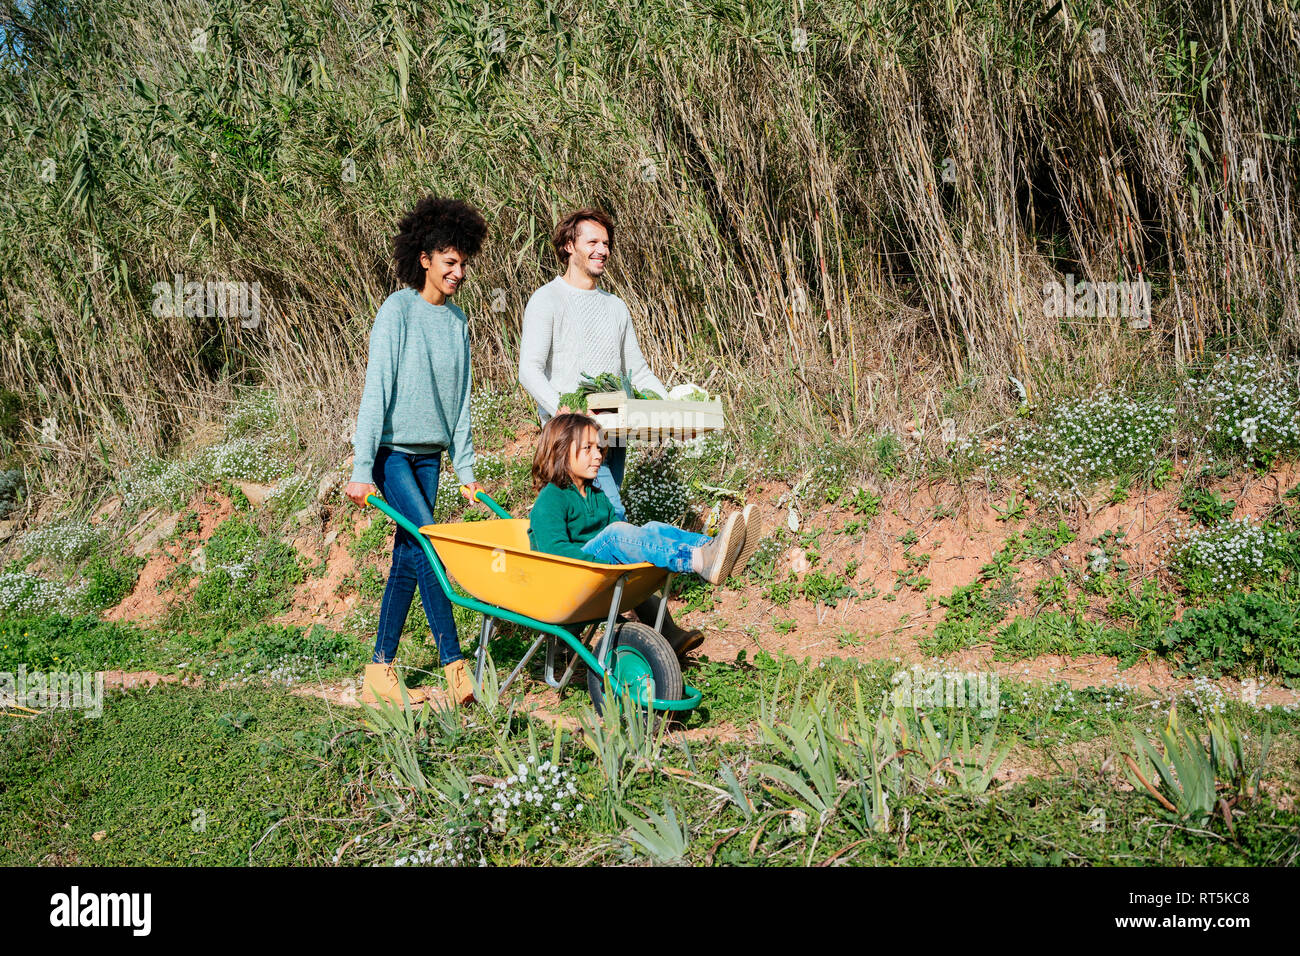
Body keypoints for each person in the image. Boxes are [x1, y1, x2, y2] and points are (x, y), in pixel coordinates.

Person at [517, 209, 708, 655]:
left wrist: (668, 405)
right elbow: (529, 369)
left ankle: (571, 623)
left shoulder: (615, 307)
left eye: (606, 243)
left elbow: (635, 369)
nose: (602, 250)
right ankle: (663, 626)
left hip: (614, 432)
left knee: (602, 527)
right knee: (617, 519)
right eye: (593, 242)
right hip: (572, 440)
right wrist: (560, 408)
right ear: (569, 245)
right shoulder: (546, 300)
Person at [344, 196, 489, 709]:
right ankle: (455, 668)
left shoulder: (458, 322)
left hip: (429, 457)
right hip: (392, 454)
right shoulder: (396, 310)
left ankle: (379, 672)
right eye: (450, 262)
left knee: (409, 555)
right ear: (424, 258)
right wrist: (363, 469)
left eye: (463, 264)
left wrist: (465, 468)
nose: (458, 272)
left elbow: (462, 399)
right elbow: (375, 390)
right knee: (429, 544)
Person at [527, 412, 761, 595]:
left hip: (597, 569)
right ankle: (699, 560)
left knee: (652, 528)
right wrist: (602, 567)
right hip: (571, 573)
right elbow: (553, 551)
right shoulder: (551, 498)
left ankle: (714, 547)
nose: (598, 455)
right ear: (559, 450)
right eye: (587, 448)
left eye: (599, 448)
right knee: (616, 534)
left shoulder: (596, 494)